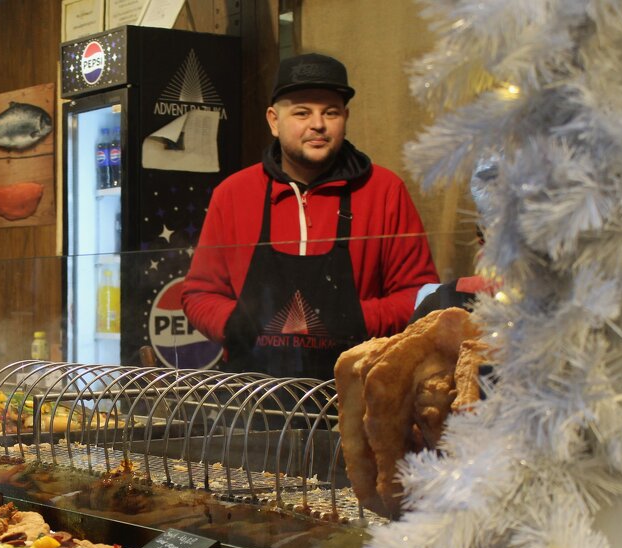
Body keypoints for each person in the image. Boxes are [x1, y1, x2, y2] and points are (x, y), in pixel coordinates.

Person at [180, 53, 439, 379]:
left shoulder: (385, 190)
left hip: (358, 394)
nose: (318, 124)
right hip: (250, 396)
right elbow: (198, 294)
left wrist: (353, 317)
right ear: (274, 121)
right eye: (302, 113)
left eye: (330, 112)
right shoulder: (233, 194)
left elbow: (421, 296)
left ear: (345, 117)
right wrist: (240, 322)